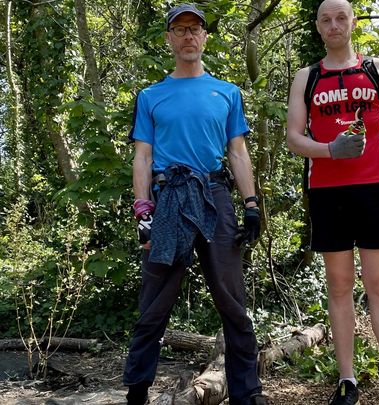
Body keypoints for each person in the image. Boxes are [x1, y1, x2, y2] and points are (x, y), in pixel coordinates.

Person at [122, 4, 266, 405]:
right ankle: (136, 393)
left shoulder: (228, 92)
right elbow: (143, 156)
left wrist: (251, 205)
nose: (188, 35)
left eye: (195, 29)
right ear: (169, 38)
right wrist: (142, 209)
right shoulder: (151, 96)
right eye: (180, 29)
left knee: (233, 301)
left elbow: (237, 153)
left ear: (204, 37)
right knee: (154, 304)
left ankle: (247, 393)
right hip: (168, 201)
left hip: (215, 197)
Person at [286, 1, 379, 404]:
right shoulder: (305, 77)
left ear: (353, 22)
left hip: (375, 188)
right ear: (317, 26)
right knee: (340, 286)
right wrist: (330, 149)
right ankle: (347, 381)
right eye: (325, 19)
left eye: (340, 17)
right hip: (328, 192)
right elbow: (294, 139)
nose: (333, 25)